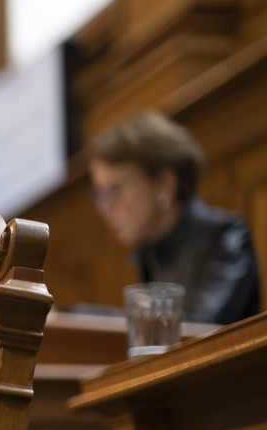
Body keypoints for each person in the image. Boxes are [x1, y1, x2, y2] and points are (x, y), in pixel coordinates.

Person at [89, 110, 260, 325]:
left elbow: (197, 333)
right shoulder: (149, 253)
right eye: (100, 195)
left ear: (165, 183)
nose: (106, 208)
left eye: (115, 190)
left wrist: (81, 318)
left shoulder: (228, 238)